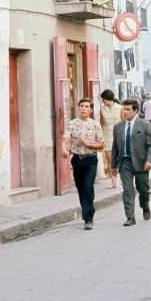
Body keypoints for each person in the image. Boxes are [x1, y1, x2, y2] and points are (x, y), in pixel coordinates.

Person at [61, 98, 103, 229]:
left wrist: (88, 143)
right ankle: (88, 210)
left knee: (88, 186)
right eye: (81, 106)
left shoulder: (95, 125)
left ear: (90, 110)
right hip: (77, 160)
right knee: (81, 188)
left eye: (86, 106)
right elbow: (66, 139)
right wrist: (64, 148)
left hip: (91, 159)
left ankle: (88, 218)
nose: (83, 109)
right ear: (78, 108)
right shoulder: (72, 124)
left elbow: (101, 144)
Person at [111, 99, 151, 225]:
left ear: (135, 110)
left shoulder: (144, 125)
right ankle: (130, 217)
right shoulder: (118, 127)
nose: (125, 112)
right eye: (123, 109)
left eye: (128, 109)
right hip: (125, 163)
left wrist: (149, 160)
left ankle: (145, 205)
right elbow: (115, 147)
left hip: (141, 163)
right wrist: (113, 165)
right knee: (127, 190)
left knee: (143, 189)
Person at [99, 89, 122, 189]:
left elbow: (124, 122)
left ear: (108, 99)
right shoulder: (102, 109)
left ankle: (122, 177)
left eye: (103, 99)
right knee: (110, 160)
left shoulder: (120, 108)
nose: (103, 101)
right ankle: (113, 182)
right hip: (107, 135)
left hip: (118, 135)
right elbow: (101, 123)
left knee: (119, 159)